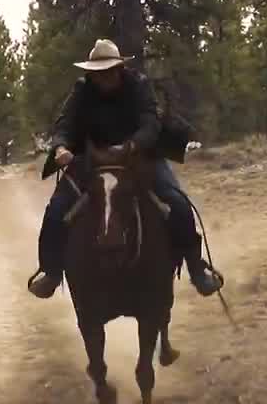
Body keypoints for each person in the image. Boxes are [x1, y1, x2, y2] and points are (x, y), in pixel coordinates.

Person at [28, 38, 222, 299]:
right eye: (98, 73)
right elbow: (65, 123)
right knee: (55, 212)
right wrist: (61, 147)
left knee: (178, 205)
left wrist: (131, 146)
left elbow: (151, 123)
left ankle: (197, 269)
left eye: (109, 71)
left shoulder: (139, 85)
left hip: (140, 157)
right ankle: (51, 272)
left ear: (120, 69)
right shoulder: (82, 90)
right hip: (91, 162)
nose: (104, 77)